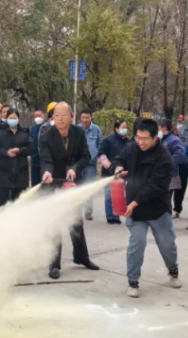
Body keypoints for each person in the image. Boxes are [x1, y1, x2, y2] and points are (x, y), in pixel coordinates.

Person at [112, 118, 180, 298]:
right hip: (136, 211)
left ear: (155, 138)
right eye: (137, 137)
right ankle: (132, 281)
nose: (140, 142)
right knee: (137, 243)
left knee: (167, 244)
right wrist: (118, 167)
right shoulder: (131, 148)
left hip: (158, 208)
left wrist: (133, 203)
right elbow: (119, 159)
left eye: (144, 138)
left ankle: (173, 270)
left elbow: (154, 186)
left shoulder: (164, 157)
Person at [39, 102, 99, 279]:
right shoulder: (46, 136)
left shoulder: (78, 133)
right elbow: (46, 159)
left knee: (75, 222)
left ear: (71, 116)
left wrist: (74, 168)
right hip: (54, 184)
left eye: (63, 115)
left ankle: (81, 257)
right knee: (55, 224)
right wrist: (47, 172)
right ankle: (54, 265)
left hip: (72, 184)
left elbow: (86, 156)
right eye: (56, 115)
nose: (60, 119)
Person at [0, 108, 33, 206]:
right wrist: (6, 153)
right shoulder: (1, 133)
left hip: (20, 173)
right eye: (10, 118)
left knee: (18, 203)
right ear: (7, 119)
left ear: (18, 119)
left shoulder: (24, 132)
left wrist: (20, 150)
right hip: (4, 173)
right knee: (2, 203)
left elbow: (31, 148)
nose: (13, 120)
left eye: (14, 118)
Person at [98, 119, 131, 224]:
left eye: (126, 127)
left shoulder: (128, 142)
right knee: (109, 195)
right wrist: (110, 167)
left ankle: (116, 216)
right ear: (116, 128)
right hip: (108, 173)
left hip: (122, 174)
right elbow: (101, 154)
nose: (125, 129)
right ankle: (110, 216)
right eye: (122, 127)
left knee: (118, 195)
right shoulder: (108, 140)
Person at [158, 119, 186, 221]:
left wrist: (168, 164)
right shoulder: (159, 139)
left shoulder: (174, 140)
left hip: (170, 174)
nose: (158, 130)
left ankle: (166, 218)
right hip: (158, 174)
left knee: (166, 197)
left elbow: (180, 154)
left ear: (164, 128)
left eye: (159, 127)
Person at [79, 108, 102, 220]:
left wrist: (95, 155)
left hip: (90, 164)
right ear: (80, 117)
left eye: (87, 117)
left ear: (91, 117)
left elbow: (100, 145)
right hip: (78, 163)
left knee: (89, 187)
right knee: (77, 187)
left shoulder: (96, 130)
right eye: (83, 117)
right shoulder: (76, 129)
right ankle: (76, 211)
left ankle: (88, 212)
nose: (85, 120)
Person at [29, 109, 46, 187]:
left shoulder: (48, 127)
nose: (37, 118)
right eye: (35, 116)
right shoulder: (32, 129)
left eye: (39, 116)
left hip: (45, 162)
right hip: (35, 162)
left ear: (44, 117)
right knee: (35, 185)